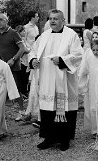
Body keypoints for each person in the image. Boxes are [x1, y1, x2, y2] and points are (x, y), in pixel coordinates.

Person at [29, 9, 83, 151]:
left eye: (56, 18)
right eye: (50, 18)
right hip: (47, 79)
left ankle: (64, 140)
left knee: (64, 110)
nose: (52, 21)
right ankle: (48, 138)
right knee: (47, 111)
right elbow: (33, 51)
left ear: (63, 21)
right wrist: (33, 60)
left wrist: (62, 60)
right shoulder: (44, 36)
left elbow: (78, 55)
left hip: (64, 80)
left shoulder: (71, 36)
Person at [0, 14, 26, 121]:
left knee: (16, 89)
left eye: (1, 20)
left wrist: (13, 59)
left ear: (6, 21)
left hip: (13, 67)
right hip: (0, 66)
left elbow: (22, 48)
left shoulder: (13, 33)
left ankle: (22, 111)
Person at [78, 40, 98, 138]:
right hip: (92, 85)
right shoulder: (89, 57)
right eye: (94, 50)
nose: (96, 52)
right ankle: (94, 130)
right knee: (93, 107)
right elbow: (83, 71)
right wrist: (82, 85)